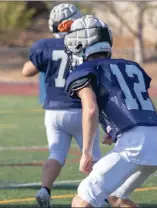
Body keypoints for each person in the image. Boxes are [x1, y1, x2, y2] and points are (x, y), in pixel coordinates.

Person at [64, 15, 157, 207]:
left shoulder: (85, 69)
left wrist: (87, 152)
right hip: (154, 138)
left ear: (80, 43)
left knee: (82, 201)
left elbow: (90, 109)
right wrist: (114, 129)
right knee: (117, 199)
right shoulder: (130, 66)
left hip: (134, 145)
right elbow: (140, 105)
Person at [22, 4, 101, 207]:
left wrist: (44, 62)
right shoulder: (85, 44)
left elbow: (27, 71)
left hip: (54, 112)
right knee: (94, 157)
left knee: (56, 154)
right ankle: (103, 195)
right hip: (81, 109)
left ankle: (44, 189)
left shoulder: (45, 47)